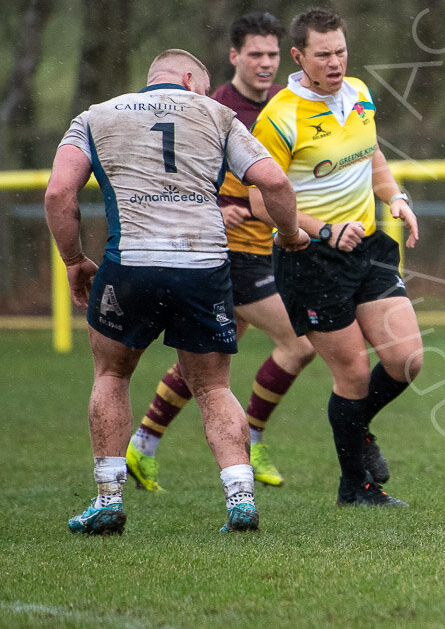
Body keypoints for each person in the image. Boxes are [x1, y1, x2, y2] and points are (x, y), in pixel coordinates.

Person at [45, 49, 309, 535]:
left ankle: (107, 500)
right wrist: (290, 235)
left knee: (112, 374)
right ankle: (241, 501)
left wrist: (72, 260)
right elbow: (273, 182)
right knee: (213, 386)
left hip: (131, 265)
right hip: (203, 265)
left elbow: (59, 193)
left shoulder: (94, 116)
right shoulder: (217, 113)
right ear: (190, 80)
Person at [125, 12, 317, 492]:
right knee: (300, 342)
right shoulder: (212, 105)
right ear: (234, 56)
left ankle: (143, 445)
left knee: (203, 360)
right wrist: (220, 206)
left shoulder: (286, 105)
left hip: (264, 249)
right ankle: (250, 440)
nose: (266, 63)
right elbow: (180, 175)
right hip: (229, 254)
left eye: (273, 54)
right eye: (255, 53)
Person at [252, 7, 426, 507]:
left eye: (341, 51)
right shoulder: (280, 117)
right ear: (298, 56)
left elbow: (371, 153)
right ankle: (356, 487)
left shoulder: (360, 93)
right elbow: (262, 202)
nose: (334, 62)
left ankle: (357, 426)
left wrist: (396, 197)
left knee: (407, 359)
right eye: (323, 54)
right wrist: (324, 230)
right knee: (350, 374)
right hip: (311, 260)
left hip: (368, 248)